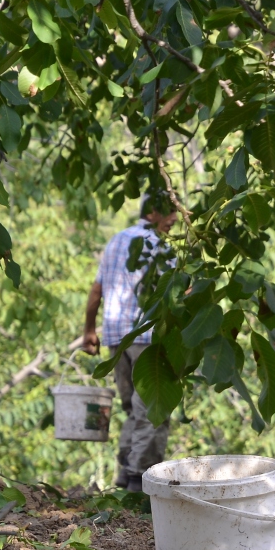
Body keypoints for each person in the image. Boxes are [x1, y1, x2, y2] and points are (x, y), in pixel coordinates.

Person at [82, 191, 178, 492]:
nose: (175, 219)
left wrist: (89, 330)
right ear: (152, 213)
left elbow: (96, 290)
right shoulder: (159, 246)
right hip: (148, 337)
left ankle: (125, 478)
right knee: (154, 409)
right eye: (169, 212)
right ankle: (140, 484)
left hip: (116, 340)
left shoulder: (115, 241)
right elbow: (180, 293)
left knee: (135, 410)